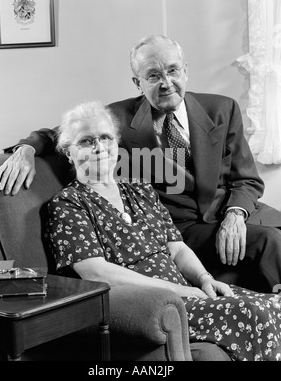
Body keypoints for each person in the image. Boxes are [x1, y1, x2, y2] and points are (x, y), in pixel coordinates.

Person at [0, 34, 281, 293]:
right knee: (270, 243)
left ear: (185, 70)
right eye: (153, 75)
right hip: (181, 230)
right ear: (138, 83)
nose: (166, 83)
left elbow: (247, 179)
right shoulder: (117, 118)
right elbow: (62, 134)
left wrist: (235, 215)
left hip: (231, 213)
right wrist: (26, 149)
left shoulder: (222, 109)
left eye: (172, 70)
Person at [45, 100, 281, 362]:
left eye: (105, 138)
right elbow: (96, 272)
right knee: (253, 313)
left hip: (187, 292)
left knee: (275, 304)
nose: (100, 147)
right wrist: (179, 291)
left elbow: (176, 247)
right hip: (153, 306)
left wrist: (204, 279)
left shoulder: (139, 189)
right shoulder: (68, 203)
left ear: (116, 143)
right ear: (68, 152)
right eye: (86, 141)